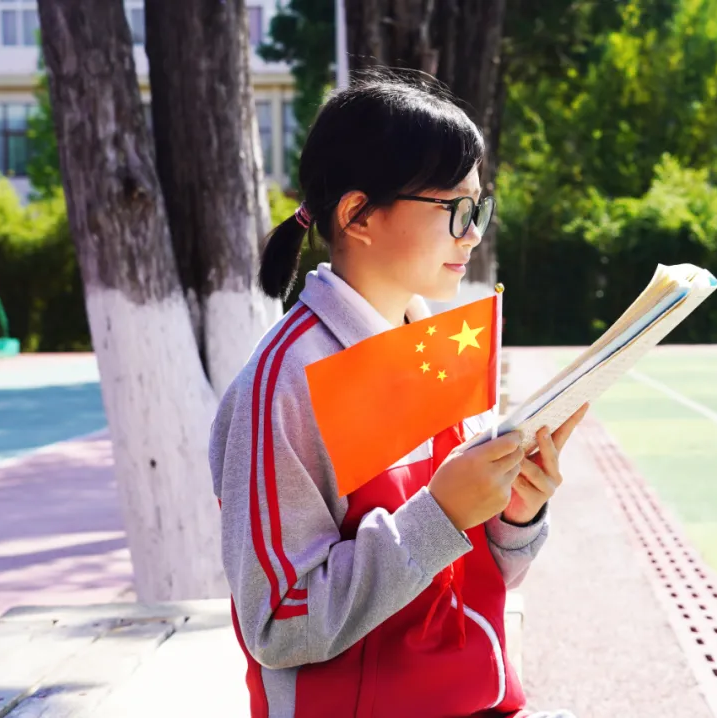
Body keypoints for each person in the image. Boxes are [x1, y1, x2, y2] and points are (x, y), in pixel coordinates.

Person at [209, 71, 586, 718]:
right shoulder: (286, 380)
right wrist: (439, 513)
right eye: (455, 212)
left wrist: (515, 514)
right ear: (358, 214)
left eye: (481, 209)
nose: (473, 234)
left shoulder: (441, 347)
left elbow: (472, 578)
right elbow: (279, 624)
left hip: (477, 698)